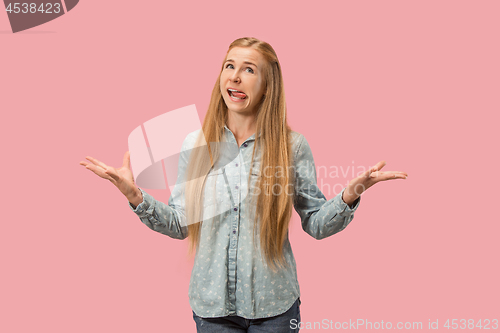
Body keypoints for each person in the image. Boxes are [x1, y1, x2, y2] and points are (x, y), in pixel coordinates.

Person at [80, 37, 408, 332]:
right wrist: (135, 196)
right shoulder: (195, 144)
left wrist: (351, 194)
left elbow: (316, 224)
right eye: (229, 66)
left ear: (266, 86)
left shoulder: (291, 146)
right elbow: (181, 223)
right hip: (212, 309)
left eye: (248, 69)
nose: (235, 76)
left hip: (275, 309)